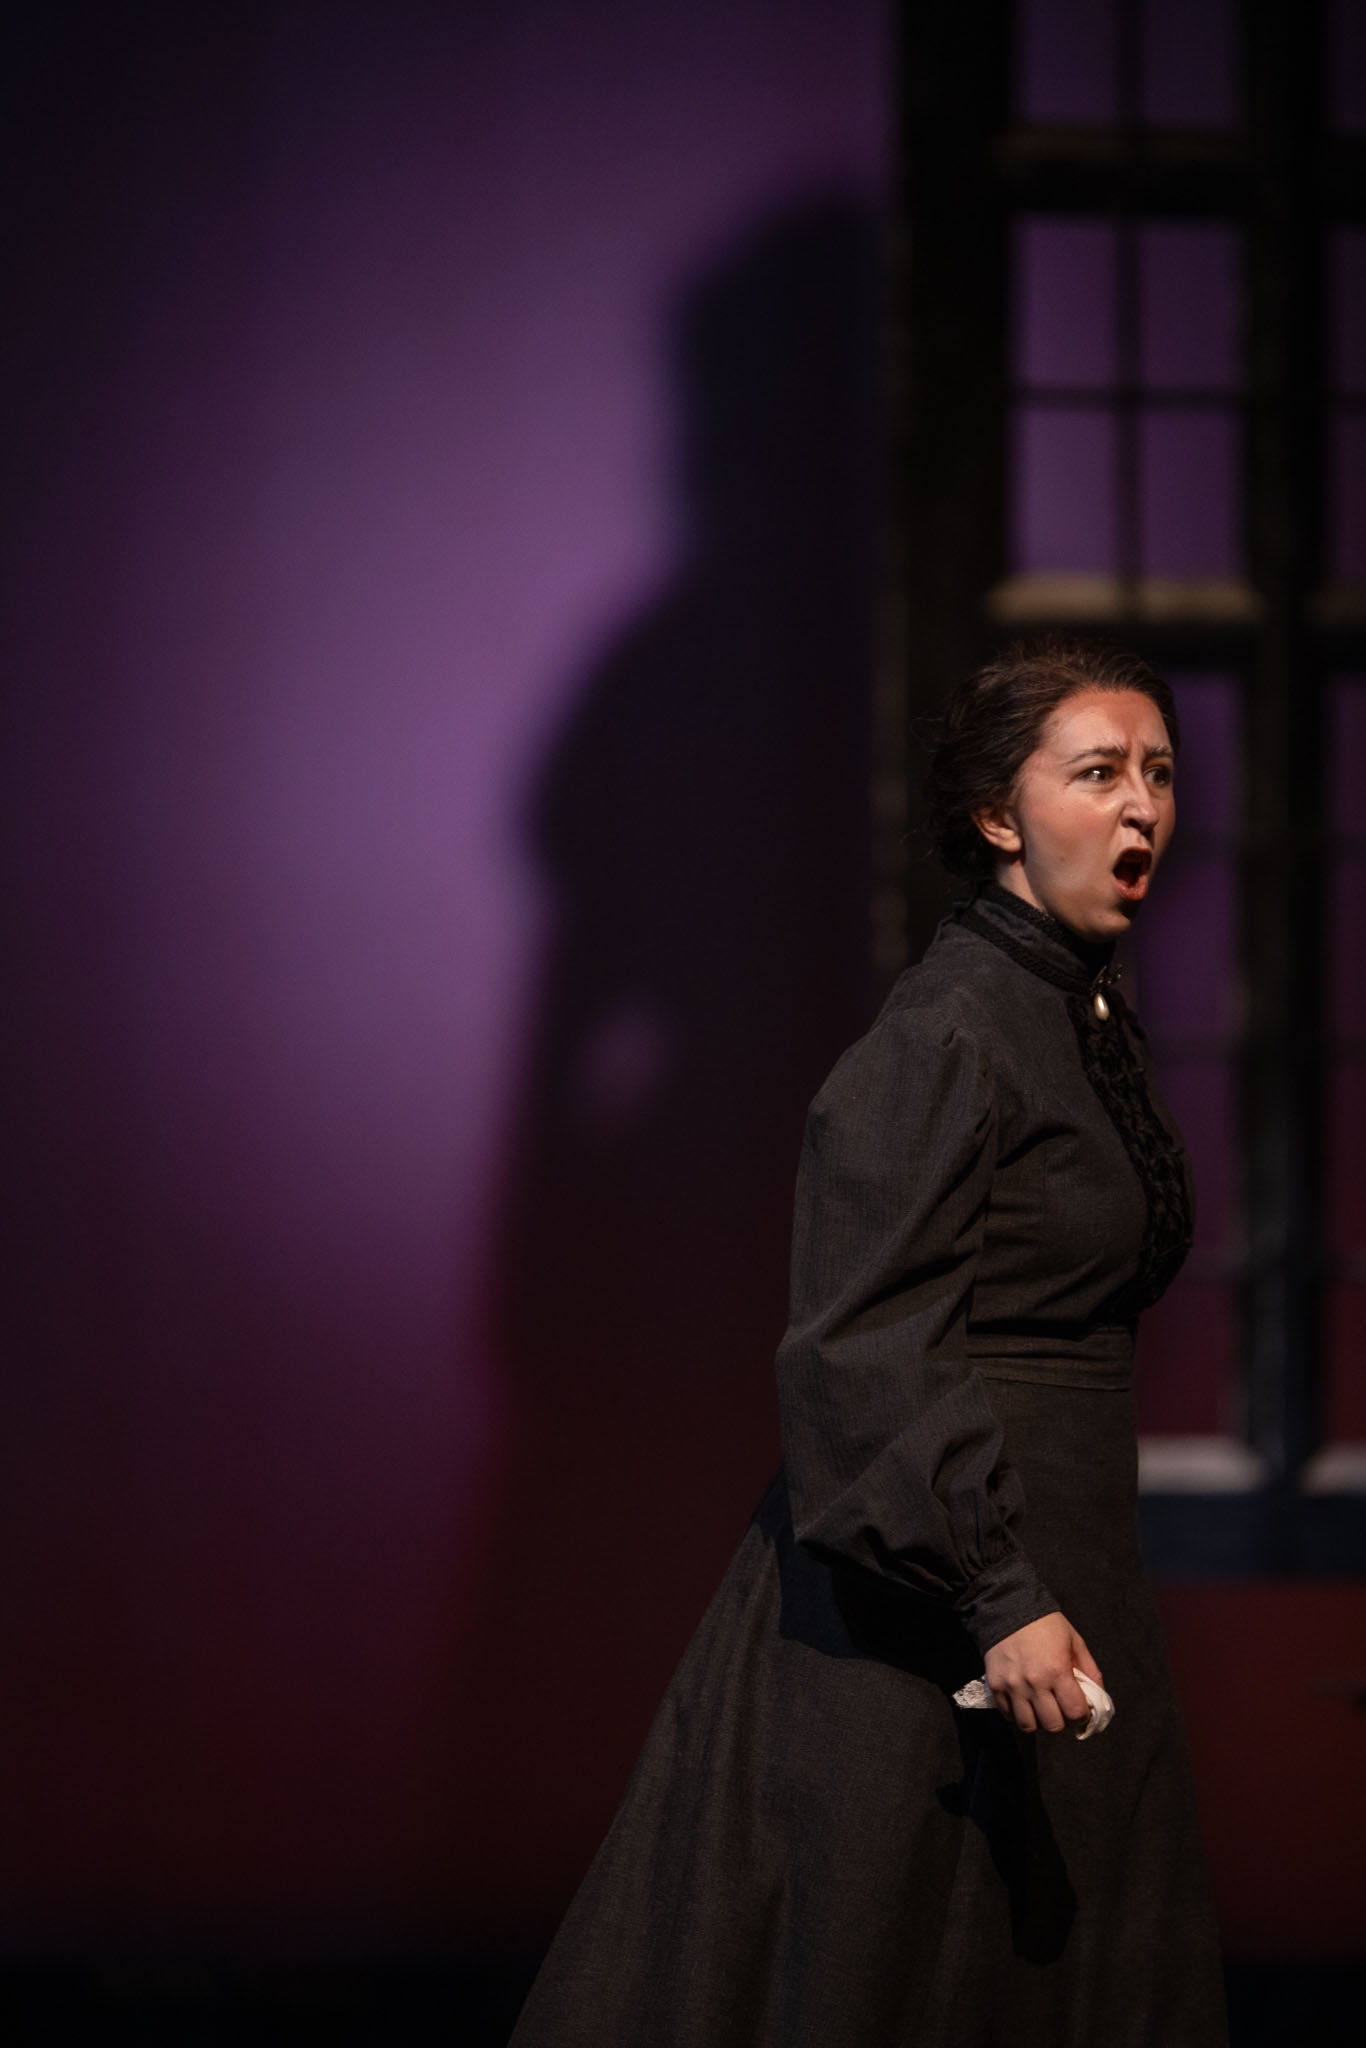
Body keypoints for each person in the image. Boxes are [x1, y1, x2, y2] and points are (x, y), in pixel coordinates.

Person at [509, 637, 1228, 2047]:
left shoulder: (1076, 1015)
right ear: (998, 816)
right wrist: (996, 1591)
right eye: (1097, 773)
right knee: (879, 1970)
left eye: (1157, 772)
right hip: (931, 1604)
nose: (1142, 804)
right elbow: (858, 1342)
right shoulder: (946, 1034)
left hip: (1062, 1559)